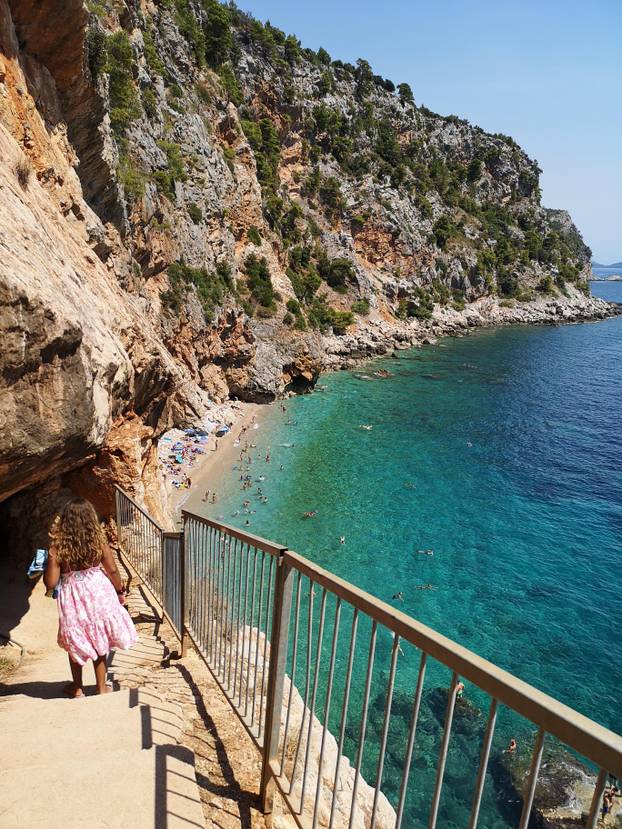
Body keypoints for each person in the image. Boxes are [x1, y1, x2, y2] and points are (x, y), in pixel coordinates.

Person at [43, 498, 138, 697]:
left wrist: (49, 562)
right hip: (97, 591)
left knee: (75, 637)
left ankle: (77, 687)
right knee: (99, 635)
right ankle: (101, 687)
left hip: (73, 596)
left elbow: (51, 583)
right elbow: (112, 570)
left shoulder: (57, 549)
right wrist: (120, 591)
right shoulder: (99, 542)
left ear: (65, 521)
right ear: (90, 519)